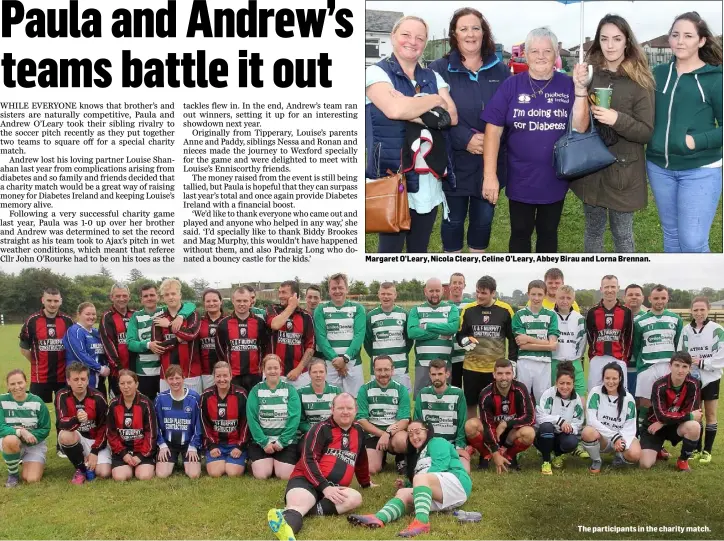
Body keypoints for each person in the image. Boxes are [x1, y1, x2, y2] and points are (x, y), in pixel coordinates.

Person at [481, 28, 590, 252]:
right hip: (521, 178)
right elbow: (493, 130)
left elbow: (580, 128)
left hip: (555, 178)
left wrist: (580, 91)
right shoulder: (512, 85)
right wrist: (489, 175)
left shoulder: (568, 86)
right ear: (526, 54)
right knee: (520, 233)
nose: (541, 56)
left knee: (548, 234)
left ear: (556, 54)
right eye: (535, 51)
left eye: (547, 51)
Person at [365, 15, 458, 253]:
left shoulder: (432, 77)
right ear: (393, 37)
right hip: (392, 175)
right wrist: (434, 103)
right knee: (390, 250)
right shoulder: (375, 74)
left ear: (425, 42)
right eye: (406, 34)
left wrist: (416, 103)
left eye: (420, 37)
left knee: (419, 249)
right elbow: (394, 109)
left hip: (428, 178)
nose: (412, 41)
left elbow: (451, 117)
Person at [571, 14, 655, 253]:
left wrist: (617, 119)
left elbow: (646, 132)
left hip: (623, 172)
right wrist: (579, 87)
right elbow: (578, 123)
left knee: (622, 235)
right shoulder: (589, 74)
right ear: (598, 41)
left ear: (626, 41)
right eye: (604, 38)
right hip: (592, 169)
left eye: (616, 39)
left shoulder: (640, 80)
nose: (610, 45)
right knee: (593, 231)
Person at [428, 8, 509, 253]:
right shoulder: (439, 69)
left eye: (476, 28)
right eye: (464, 29)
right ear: (454, 33)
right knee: (452, 222)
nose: (470, 34)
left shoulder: (501, 70)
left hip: (490, 162)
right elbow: (433, 115)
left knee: (483, 221)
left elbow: (510, 112)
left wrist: (492, 139)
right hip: (454, 161)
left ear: (484, 33)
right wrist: (465, 139)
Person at [646, 11, 723, 253]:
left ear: (701, 41)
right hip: (660, 168)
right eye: (675, 34)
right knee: (671, 234)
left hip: (699, 170)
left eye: (688, 35)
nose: (680, 41)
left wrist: (694, 141)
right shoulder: (657, 74)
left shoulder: (715, 79)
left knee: (692, 242)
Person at [267, 393, 371, 541]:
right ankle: (288, 530)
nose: (345, 412)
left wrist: (365, 482)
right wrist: (325, 487)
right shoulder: (321, 429)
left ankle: (293, 512)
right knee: (299, 505)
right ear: (332, 409)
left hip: (334, 488)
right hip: (306, 481)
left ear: (356, 410)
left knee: (355, 498)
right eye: (340, 408)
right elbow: (308, 459)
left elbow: (361, 459)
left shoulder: (359, 431)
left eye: (349, 408)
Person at [348, 420, 472, 537]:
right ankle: (379, 518)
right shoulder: (416, 455)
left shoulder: (437, 441)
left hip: (458, 484)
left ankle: (422, 522)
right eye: (410, 434)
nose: (414, 437)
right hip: (442, 494)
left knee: (419, 478)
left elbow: (440, 466)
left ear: (427, 431)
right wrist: (408, 484)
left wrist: (417, 483)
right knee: (402, 493)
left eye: (418, 432)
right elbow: (424, 477)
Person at [457, 275, 517, 419]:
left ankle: (492, 437)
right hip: (471, 367)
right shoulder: (468, 310)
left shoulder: (505, 310)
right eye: (477, 291)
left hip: (495, 370)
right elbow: (459, 335)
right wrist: (464, 340)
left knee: (495, 405)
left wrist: (513, 362)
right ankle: (473, 436)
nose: (479, 295)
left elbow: (513, 339)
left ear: (493, 293)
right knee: (471, 404)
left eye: (483, 293)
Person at [126, 283, 196, 401]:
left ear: (158, 297)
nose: (149, 298)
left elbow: (190, 305)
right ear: (141, 299)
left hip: (164, 369)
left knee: (166, 405)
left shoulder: (165, 310)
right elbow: (130, 343)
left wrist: (181, 316)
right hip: (144, 371)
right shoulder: (136, 316)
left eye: (152, 295)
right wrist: (148, 344)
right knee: (147, 404)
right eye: (146, 296)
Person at [465, 359, 536, 472]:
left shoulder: (520, 389)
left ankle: (509, 455)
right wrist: (495, 451)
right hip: (493, 432)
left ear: (513, 374)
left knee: (529, 433)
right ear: (494, 375)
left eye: (508, 373)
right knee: (470, 425)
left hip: (512, 433)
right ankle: (485, 455)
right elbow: (487, 425)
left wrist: (506, 423)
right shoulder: (486, 394)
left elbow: (530, 417)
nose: (504, 377)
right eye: (500, 373)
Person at [633, 285, 683, 439]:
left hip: (668, 367)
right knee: (645, 403)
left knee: (665, 404)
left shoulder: (676, 319)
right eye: (656, 298)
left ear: (667, 298)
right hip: (648, 366)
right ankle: (641, 436)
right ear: (649, 299)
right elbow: (636, 347)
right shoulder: (640, 321)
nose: (659, 301)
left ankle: (658, 439)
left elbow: (678, 345)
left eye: (663, 298)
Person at [639, 352, 702, 472]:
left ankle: (683, 460)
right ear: (670, 366)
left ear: (689, 368)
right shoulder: (659, 385)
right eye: (677, 365)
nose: (680, 370)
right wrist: (687, 416)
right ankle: (658, 449)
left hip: (674, 425)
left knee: (694, 426)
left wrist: (664, 422)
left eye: (684, 367)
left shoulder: (694, 384)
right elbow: (661, 415)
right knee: (645, 464)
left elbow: (694, 412)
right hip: (654, 425)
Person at [679, 297, 724, 463]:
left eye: (702, 310)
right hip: (692, 379)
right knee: (697, 415)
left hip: (711, 378)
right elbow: (681, 352)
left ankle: (707, 451)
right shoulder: (686, 331)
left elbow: (722, 355)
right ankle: (696, 450)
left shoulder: (717, 329)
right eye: (695, 310)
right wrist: (687, 365)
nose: (699, 313)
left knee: (711, 414)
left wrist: (703, 362)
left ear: (708, 309)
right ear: (691, 310)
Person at [247, 354, 302, 480]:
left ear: (281, 369)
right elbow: (252, 419)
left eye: (275, 368)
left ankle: (276, 462)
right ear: (263, 370)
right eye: (269, 368)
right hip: (262, 442)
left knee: (285, 475)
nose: (272, 371)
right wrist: (264, 442)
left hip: (285, 442)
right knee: (262, 475)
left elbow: (294, 418)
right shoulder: (256, 390)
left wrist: (282, 442)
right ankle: (258, 463)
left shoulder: (290, 390)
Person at [18, 287, 74, 411]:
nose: (52, 304)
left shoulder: (68, 320)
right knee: (35, 413)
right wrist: (38, 363)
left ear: (61, 301)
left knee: (66, 411)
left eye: (55, 301)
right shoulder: (32, 320)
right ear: (43, 300)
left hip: (64, 376)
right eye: (49, 300)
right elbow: (24, 349)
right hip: (40, 376)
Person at [55, 362, 111, 483]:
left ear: (87, 380)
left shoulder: (98, 397)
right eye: (75, 379)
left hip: (95, 441)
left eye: (83, 379)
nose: (80, 383)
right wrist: (77, 419)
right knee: (66, 435)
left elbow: (104, 427)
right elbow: (61, 422)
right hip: (76, 438)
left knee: (104, 472)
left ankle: (89, 462)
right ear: (68, 381)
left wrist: (95, 451)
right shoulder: (62, 395)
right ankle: (81, 469)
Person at [582, 362, 641, 472]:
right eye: (607, 378)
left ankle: (619, 455)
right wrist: (614, 436)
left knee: (635, 454)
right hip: (603, 438)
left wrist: (622, 441)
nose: (610, 382)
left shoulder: (628, 398)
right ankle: (596, 461)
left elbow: (630, 426)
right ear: (603, 378)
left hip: (620, 437)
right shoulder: (595, 392)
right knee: (587, 432)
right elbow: (592, 420)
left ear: (620, 378)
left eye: (614, 378)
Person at [357, 355, 411, 475]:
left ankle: (401, 458)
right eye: (379, 370)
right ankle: (381, 458)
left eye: (386, 369)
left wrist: (388, 433)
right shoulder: (364, 389)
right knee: (371, 469)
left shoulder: (401, 389)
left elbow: (404, 420)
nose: (383, 373)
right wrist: (382, 434)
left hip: (394, 433)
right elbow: (362, 420)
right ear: (373, 370)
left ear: (392, 370)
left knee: (402, 441)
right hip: (373, 434)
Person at [313, 273, 366, 396]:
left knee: (355, 402)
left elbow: (359, 336)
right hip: (330, 364)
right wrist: (336, 360)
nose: (337, 291)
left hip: (353, 364)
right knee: (332, 403)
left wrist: (345, 358)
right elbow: (321, 338)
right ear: (329, 290)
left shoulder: (358, 308)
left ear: (346, 289)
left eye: (341, 288)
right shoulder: (321, 310)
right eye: (333, 288)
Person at [413, 360, 469, 472]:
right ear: (429, 375)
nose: (437, 377)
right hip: (430, 445)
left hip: (452, 445)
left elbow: (462, 423)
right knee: (425, 470)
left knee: (464, 470)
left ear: (447, 374)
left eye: (440, 374)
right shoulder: (423, 393)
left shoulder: (458, 393)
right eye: (433, 374)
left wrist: (459, 447)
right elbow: (417, 422)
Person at [408, 278, 461, 396]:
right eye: (431, 291)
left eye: (437, 291)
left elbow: (452, 328)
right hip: (422, 364)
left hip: (444, 366)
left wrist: (427, 326)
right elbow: (412, 332)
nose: (435, 294)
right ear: (425, 291)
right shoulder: (416, 310)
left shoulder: (451, 309)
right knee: (422, 403)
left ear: (443, 291)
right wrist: (440, 333)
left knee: (445, 402)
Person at [0, 369, 50, 487]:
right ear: (7, 385)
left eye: (20, 383)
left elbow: (45, 428)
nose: (17, 387)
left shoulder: (37, 402)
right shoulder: (2, 401)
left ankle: (26, 460)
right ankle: (13, 475)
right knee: (10, 440)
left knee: (31, 479)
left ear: (26, 382)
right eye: (12, 384)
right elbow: (1, 427)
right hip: (12, 441)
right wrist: (21, 432)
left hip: (33, 444)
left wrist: (31, 436)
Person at [215, 286, 269, 393]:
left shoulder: (260, 323)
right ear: (233, 301)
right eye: (238, 300)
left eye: (245, 300)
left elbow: (264, 347)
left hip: (254, 374)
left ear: (250, 302)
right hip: (233, 375)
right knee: (236, 407)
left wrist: (261, 369)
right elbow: (220, 350)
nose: (242, 304)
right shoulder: (223, 324)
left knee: (254, 407)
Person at [512, 280, 560, 402]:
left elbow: (553, 345)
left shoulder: (551, 315)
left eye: (539, 294)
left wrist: (528, 338)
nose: (536, 298)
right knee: (523, 398)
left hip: (544, 362)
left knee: (542, 400)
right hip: (524, 362)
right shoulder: (519, 315)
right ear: (528, 294)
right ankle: (524, 421)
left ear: (545, 295)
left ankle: (542, 422)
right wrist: (547, 344)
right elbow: (523, 346)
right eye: (533, 294)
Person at [152, 279, 202, 394]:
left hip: (190, 373)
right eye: (167, 294)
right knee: (167, 410)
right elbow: (159, 347)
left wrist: (169, 326)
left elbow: (191, 335)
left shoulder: (193, 315)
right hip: (167, 375)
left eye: (173, 293)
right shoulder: (159, 319)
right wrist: (179, 339)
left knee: (193, 409)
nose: (171, 297)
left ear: (180, 295)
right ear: (163, 298)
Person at [200, 361, 249, 478]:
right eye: (218, 376)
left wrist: (240, 446)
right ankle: (222, 459)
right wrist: (211, 446)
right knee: (215, 473)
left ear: (231, 376)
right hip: (216, 443)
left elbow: (246, 423)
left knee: (233, 473)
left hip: (235, 443)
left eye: (225, 376)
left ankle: (245, 460)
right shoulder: (206, 396)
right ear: (214, 377)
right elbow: (204, 424)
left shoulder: (241, 394)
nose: (222, 379)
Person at [106, 369, 157, 481]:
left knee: (144, 476)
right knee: (120, 477)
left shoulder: (146, 403)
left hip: (142, 451)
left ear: (136, 384)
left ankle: (141, 466)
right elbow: (111, 433)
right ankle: (127, 466)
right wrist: (124, 454)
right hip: (122, 451)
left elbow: (151, 433)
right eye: (122, 383)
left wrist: (140, 456)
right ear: (118, 385)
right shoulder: (114, 404)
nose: (126, 386)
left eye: (129, 383)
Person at [535, 361, 585, 475]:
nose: (565, 387)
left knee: (572, 442)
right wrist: (559, 420)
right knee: (546, 426)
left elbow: (578, 423)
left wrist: (570, 427)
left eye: (568, 383)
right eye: (562, 383)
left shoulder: (576, 399)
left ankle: (557, 455)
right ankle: (546, 461)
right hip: (544, 434)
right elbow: (540, 417)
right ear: (556, 383)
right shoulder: (548, 394)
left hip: (561, 435)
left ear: (573, 384)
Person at [586, 275, 633, 392]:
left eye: (613, 286)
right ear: (601, 289)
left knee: (620, 394)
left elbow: (629, 338)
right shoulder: (592, 312)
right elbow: (590, 337)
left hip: (618, 358)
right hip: (598, 358)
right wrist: (593, 355)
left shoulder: (626, 312)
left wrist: (624, 358)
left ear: (618, 288)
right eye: (606, 287)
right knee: (594, 392)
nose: (610, 290)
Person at [154, 365, 202, 479]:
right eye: (171, 378)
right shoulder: (160, 399)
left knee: (193, 474)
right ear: (166, 380)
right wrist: (162, 445)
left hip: (188, 444)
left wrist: (193, 446)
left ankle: (186, 459)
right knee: (162, 474)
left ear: (183, 378)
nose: (175, 382)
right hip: (168, 444)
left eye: (177, 378)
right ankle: (171, 459)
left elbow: (199, 425)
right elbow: (155, 425)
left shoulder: (194, 398)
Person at [364, 282, 413, 392]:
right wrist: (377, 357)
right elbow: (367, 342)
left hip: (400, 367)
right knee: (379, 400)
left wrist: (400, 353)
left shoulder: (404, 314)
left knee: (401, 400)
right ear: (378, 295)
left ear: (395, 295)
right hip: (379, 368)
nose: (386, 297)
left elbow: (409, 340)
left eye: (389, 294)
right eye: (383, 294)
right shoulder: (371, 316)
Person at [267, 281, 316, 389]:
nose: (280, 296)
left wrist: (298, 370)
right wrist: (291, 306)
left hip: (299, 375)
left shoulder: (306, 317)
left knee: (298, 405)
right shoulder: (273, 309)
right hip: (274, 372)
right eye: (279, 292)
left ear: (295, 295)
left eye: (284, 292)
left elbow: (310, 347)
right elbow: (275, 325)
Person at [62, 302, 111, 395]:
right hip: (81, 381)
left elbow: (104, 352)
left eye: (93, 314)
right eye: (87, 314)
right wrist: (100, 368)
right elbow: (80, 354)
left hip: (98, 380)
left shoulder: (96, 332)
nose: (91, 317)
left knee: (101, 407)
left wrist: (107, 365)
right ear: (79, 315)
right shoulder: (75, 331)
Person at [99, 283, 136, 398]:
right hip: (118, 371)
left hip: (136, 369)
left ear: (129, 296)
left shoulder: (135, 314)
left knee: (138, 401)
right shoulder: (107, 316)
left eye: (124, 295)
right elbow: (108, 344)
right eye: (118, 296)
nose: (121, 299)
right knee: (119, 402)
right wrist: (119, 368)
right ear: (112, 297)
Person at [551, 286, 587, 397]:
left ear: (573, 299)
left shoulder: (579, 319)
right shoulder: (549, 316)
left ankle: (580, 415)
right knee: (554, 395)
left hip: (574, 362)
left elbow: (582, 343)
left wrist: (576, 357)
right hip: (554, 362)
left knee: (580, 393)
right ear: (556, 298)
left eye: (568, 298)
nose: (565, 301)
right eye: (561, 298)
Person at [297, 358, 341, 437]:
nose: (318, 375)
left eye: (321, 372)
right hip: (310, 434)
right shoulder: (301, 392)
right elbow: (300, 421)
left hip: (332, 434)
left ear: (326, 373)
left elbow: (340, 416)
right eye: (314, 372)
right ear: (309, 374)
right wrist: (314, 430)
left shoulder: (336, 391)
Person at [197, 288, 225, 391]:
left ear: (220, 302)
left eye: (215, 300)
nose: (211, 303)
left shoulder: (228, 320)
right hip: (205, 371)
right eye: (208, 301)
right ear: (204, 303)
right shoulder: (199, 322)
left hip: (225, 371)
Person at [624, 283, 647, 395]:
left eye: (637, 294)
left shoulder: (649, 318)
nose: (634, 297)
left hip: (642, 369)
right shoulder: (619, 316)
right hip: (621, 367)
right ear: (624, 297)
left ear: (643, 298)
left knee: (640, 404)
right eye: (630, 294)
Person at [446, 272, 468, 388]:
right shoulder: (443, 306)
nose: (457, 285)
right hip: (451, 358)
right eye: (454, 282)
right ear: (449, 285)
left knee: (470, 394)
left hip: (469, 357)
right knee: (455, 392)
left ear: (464, 286)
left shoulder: (471, 305)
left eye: (460, 283)